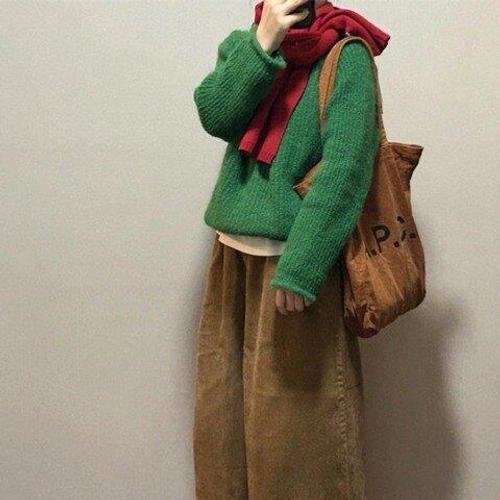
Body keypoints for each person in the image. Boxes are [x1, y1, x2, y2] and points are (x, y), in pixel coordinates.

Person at [191, 0, 390, 498]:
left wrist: (302, 268)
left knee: (299, 441)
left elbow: (347, 169)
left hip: (293, 269)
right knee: (224, 430)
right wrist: (264, 43)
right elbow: (215, 113)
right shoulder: (247, 43)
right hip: (230, 261)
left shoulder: (347, 55)